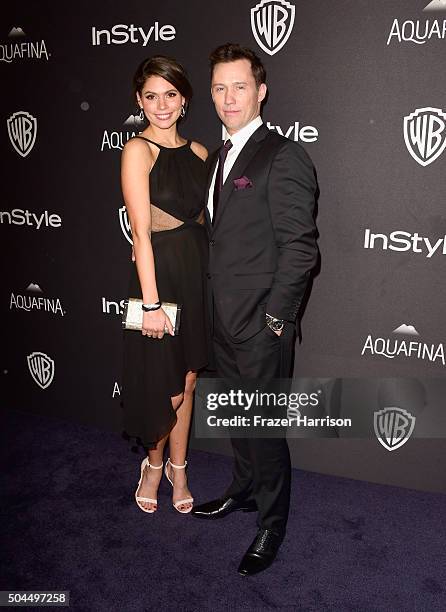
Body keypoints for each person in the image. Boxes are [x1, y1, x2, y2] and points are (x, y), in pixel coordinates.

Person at [191, 44, 319, 575]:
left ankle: (272, 523)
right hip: (220, 319)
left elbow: (301, 247)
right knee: (238, 421)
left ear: (261, 91)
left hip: (261, 324)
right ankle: (242, 490)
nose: (228, 98)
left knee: (264, 429)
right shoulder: (218, 156)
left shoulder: (283, 155)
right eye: (219, 87)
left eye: (239, 86)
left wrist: (276, 319)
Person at [121, 56, 209, 514]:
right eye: (151, 96)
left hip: (196, 277)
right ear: (139, 101)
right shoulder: (139, 150)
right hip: (159, 282)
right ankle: (152, 466)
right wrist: (151, 304)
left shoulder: (199, 154)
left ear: (185, 100)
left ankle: (180, 468)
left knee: (189, 382)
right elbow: (141, 232)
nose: (161, 105)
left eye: (170, 95)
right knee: (165, 387)